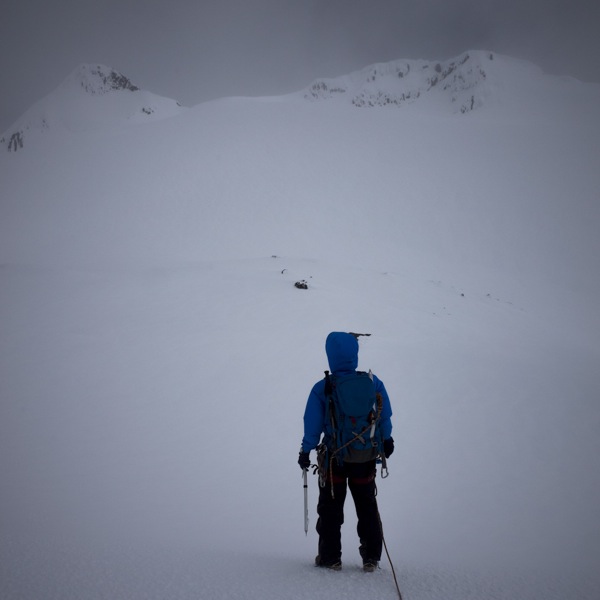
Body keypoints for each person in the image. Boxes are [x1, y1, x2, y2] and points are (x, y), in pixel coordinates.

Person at [298, 331, 394, 571]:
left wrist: (305, 450)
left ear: (330, 355)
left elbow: (312, 424)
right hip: (365, 457)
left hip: (334, 460)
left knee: (330, 509)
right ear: (355, 354)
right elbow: (384, 415)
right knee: (367, 507)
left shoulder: (323, 388)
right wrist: (387, 440)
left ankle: (331, 558)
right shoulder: (373, 382)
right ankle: (371, 558)